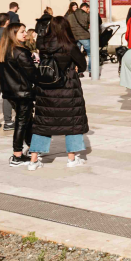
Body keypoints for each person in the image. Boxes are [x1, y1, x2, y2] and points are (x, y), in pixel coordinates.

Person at [28, 16, 90, 169]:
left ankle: (33, 160)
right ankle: (71, 159)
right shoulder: (69, 45)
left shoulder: (42, 44)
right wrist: (74, 67)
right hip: (67, 88)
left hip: (46, 88)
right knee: (72, 122)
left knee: (42, 123)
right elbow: (82, 65)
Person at [0, 23, 35, 165]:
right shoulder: (19, 51)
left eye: (25, 31)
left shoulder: (3, 50)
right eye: (22, 32)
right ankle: (17, 155)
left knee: (27, 120)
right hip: (22, 92)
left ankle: (32, 147)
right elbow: (32, 73)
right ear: (13, 34)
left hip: (11, 92)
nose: (25, 34)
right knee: (22, 122)